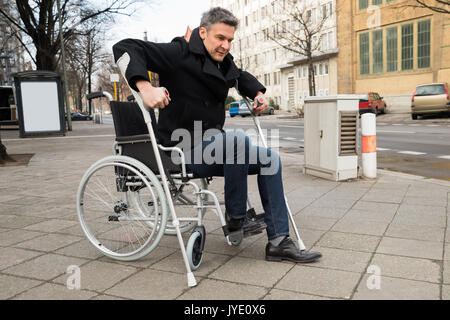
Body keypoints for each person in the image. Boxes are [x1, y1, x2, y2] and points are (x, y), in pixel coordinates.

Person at [113, 7, 321, 263]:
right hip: (181, 147)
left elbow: (240, 76)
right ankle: (236, 218)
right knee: (236, 141)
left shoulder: (223, 63)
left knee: (270, 159)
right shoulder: (178, 52)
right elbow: (125, 47)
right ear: (203, 32)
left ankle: (278, 241)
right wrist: (145, 87)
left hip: (215, 146)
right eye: (220, 38)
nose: (225, 45)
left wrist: (258, 93)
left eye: (230, 40)